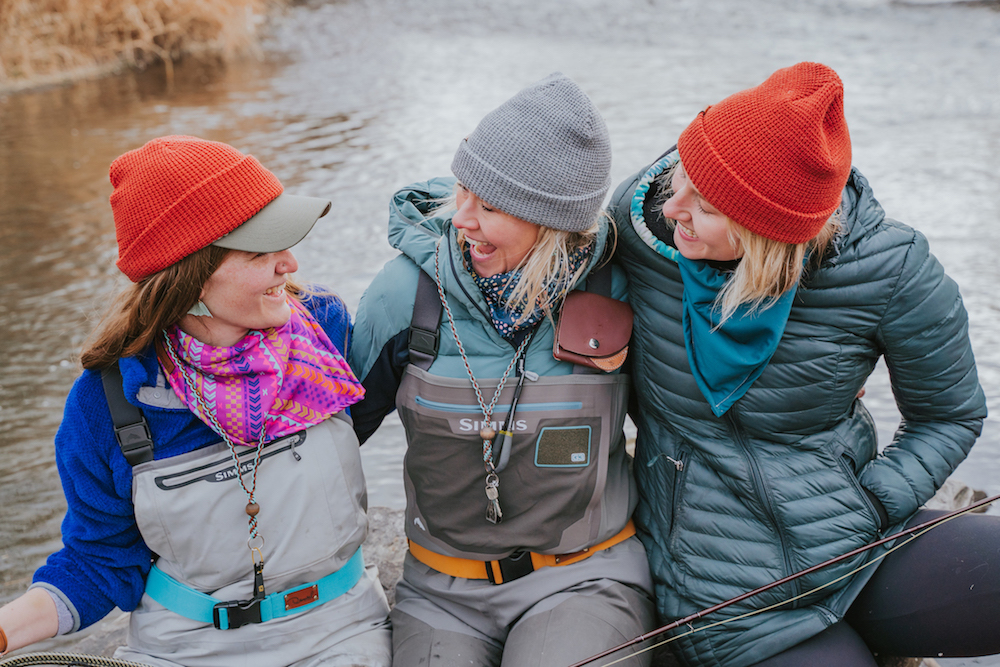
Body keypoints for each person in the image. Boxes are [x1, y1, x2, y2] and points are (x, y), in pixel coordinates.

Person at [608, 62, 999, 666]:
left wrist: (874, 500)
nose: (674, 206)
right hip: (724, 591)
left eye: (706, 205)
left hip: (854, 548)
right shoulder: (641, 230)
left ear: (768, 235)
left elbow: (948, 415)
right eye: (681, 176)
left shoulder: (889, 269)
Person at [0, 136, 392, 666]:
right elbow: (100, 561)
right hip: (183, 649)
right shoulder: (109, 402)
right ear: (190, 280)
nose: (290, 263)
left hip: (342, 632)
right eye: (260, 252)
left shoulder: (326, 328)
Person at [349, 72, 655, 667]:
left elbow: (681, 431)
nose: (462, 219)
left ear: (552, 223)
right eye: (463, 194)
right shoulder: (404, 295)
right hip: (440, 594)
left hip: (585, 579)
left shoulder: (619, 291)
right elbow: (337, 434)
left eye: (488, 207)